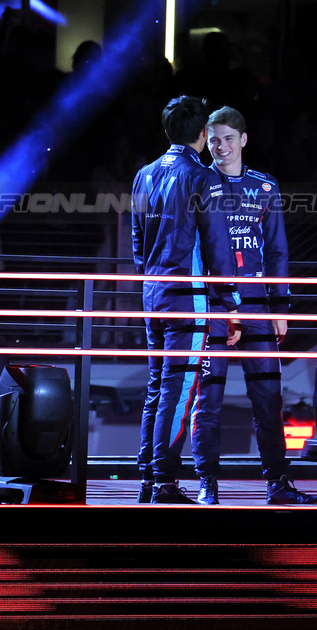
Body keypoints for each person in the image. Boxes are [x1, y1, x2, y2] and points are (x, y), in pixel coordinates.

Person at [191, 106, 317, 505]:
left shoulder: (265, 187)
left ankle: (278, 484)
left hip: (257, 305)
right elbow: (194, 248)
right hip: (213, 306)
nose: (221, 146)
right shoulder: (197, 183)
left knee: (268, 398)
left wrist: (281, 307)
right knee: (208, 399)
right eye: (214, 139)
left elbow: (278, 250)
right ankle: (206, 483)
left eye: (229, 138)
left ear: (243, 140)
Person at [131, 95, 241, 504]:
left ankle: (149, 479)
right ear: (201, 134)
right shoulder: (201, 177)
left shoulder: (144, 174)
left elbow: (138, 242)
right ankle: (162, 482)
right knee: (177, 391)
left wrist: (150, 279)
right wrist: (230, 304)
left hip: (152, 293)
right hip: (187, 297)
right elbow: (216, 245)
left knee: (158, 385)